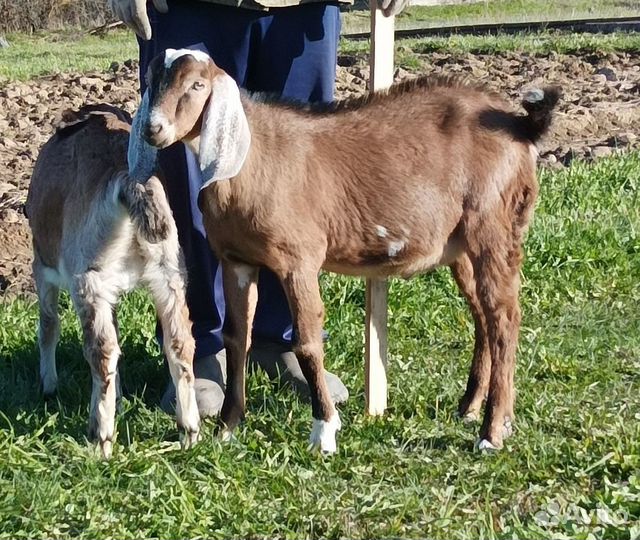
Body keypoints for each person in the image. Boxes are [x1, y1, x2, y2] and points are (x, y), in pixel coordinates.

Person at [109, 0, 406, 418]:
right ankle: (201, 347)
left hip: (302, 10)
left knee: (299, 173)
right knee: (191, 177)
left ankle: (280, 337)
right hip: (192, 10)